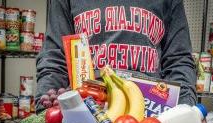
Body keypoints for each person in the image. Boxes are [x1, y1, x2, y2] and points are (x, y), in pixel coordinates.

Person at [36, 0, 197, 113]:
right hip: (85, 113)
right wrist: (46, 108)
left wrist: (186, 108)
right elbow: (54, 56)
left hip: (148, 114)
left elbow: (178, 59)